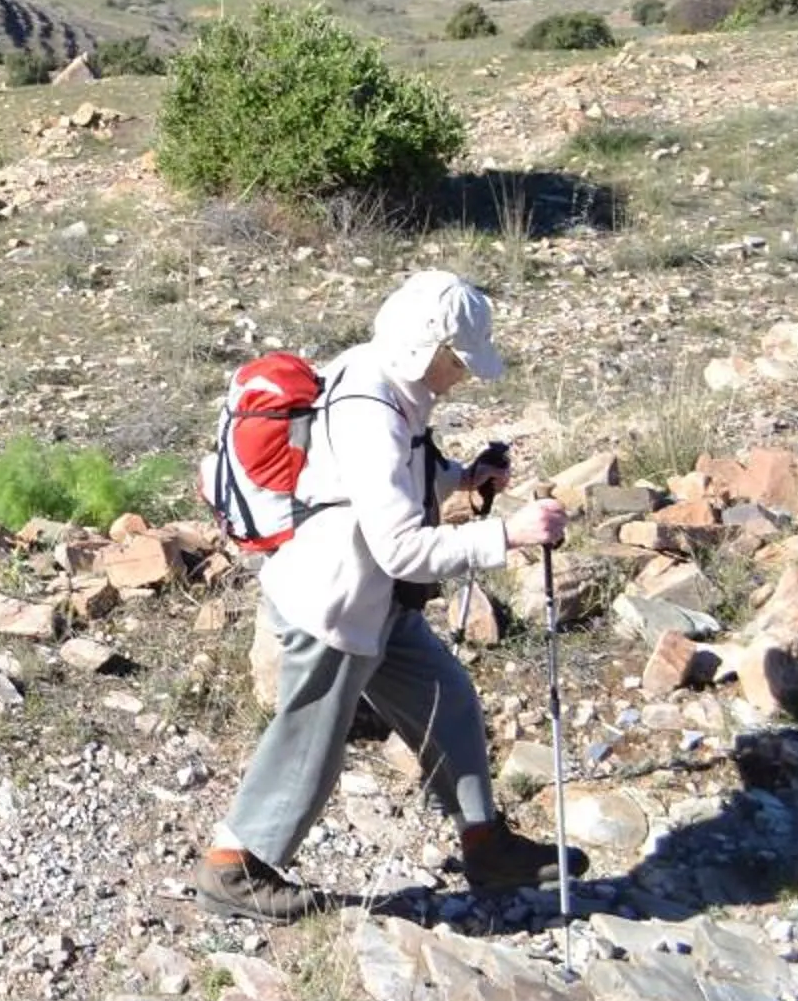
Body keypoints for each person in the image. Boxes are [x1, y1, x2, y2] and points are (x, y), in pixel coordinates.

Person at [196, 269, 584, 920]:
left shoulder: (381, 381)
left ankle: (485, 843)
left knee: (447, 700)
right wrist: (505, 536)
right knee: (309, 749)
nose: (461, 374)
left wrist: (464, 478)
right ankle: (234, 869)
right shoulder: (369, 411)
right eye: (458, 361)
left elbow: (395, 476)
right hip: (336, 602)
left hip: (376, 601)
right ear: (428, 348)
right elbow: (399, 545)